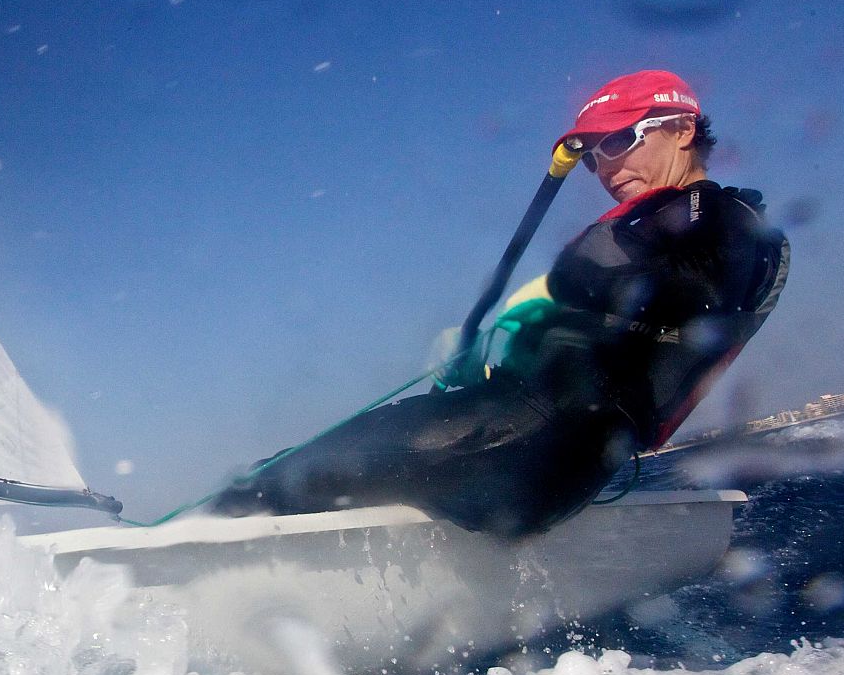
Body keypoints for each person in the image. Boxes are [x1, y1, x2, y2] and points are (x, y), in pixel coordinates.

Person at [212, 70, 789, 538]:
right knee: (322, 459)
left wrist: (551, 294)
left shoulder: (718, 217)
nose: (606, 168)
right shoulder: (671, 225)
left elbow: (689, 289)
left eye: (618, 142)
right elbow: (628, 335)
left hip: (525, 443)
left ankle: (189, 562)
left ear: (682, 129)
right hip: (543, 450)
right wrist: (506, 355)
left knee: (286, 474)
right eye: (592, 156)